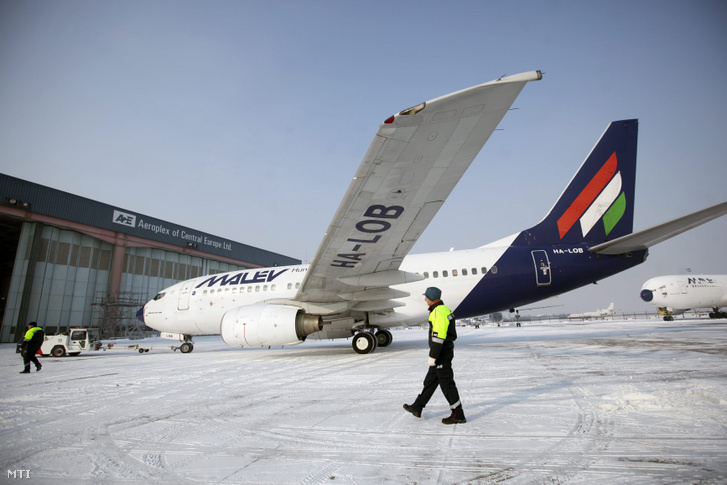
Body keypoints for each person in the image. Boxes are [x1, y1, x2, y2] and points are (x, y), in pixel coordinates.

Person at [404, 287, 466, 424]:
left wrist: (433, 356)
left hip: (442, 353)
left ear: (431, 298)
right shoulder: (443, 309)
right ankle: (417, 407)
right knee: (430, 381)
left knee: (447, 383)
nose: (425, 299)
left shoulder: (438, 312)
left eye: (426, 297)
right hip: (443, 351)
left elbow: (439, 337)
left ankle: (458, 414)